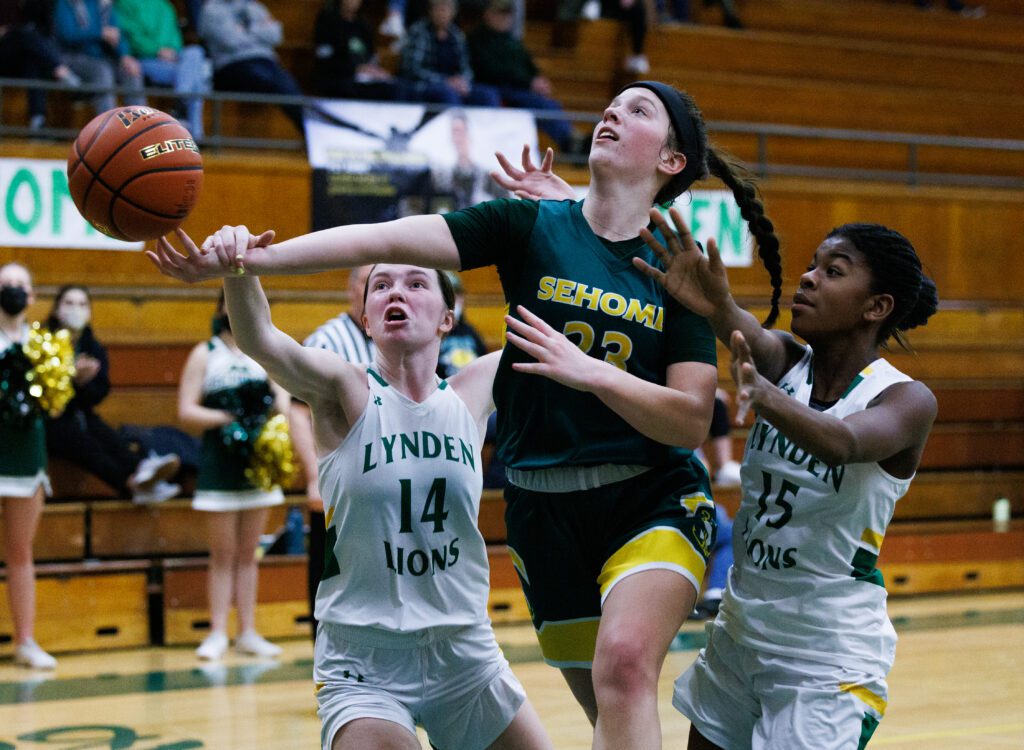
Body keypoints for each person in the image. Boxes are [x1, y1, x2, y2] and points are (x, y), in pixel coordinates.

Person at [148, 79, 784, 749]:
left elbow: (689, 421)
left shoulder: (674, 268)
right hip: (545, 514)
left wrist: (588, 371)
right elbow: (383, 234)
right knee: (613, 715)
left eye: (638, 109)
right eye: (612, 102)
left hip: (648, 495)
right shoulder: (528, 225)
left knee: (624, 666)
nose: (612, 111)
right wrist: (253, 257)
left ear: (672, 161)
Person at [154, 241, 554, 749]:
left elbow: (560, 326)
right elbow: (262, 341)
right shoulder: (344, 389)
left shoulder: (474, 389)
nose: (397, 293)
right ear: (366, 320)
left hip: (465, 650)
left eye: (415, 283)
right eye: (381, 285)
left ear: (447, 319)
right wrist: (237, 267)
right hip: (365, 660)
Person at [634, 211, 938, 749]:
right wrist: (714, 304)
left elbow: (843, 442)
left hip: (826, 654)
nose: (809, 277)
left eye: (834, 271)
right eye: (811, 266)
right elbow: (738, 326)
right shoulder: (787, 359)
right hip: (742, 630)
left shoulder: (905, 399)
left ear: (877, 307)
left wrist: (765, 396)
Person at [178, 293, 292, 660]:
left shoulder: (265, 352)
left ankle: (247, 631)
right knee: (222, 554)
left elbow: (283, 402)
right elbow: (186, 411)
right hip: (219, 461)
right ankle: (216, 633)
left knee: (248, 553)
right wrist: (229, 419)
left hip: (257, 465)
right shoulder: (204, 352)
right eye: (229, 303)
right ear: (219, 309)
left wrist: (264, 413)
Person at [291, 265, 375, 641]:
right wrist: (313, 476)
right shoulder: (326, 338)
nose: (376, 292)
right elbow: (296, 409)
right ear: (351, 290)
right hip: (340, 477)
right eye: (369, 283)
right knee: (332, 575)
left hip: (383, 478)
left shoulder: (395, 337)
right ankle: (327, 671)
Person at [44, 285, 181, 504]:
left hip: (80, 414)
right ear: (55, 310)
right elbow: (40, 392)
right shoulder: (43, 342)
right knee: (83, 442)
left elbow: (98, 394)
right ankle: (132, 483)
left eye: (81, 304)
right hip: (49, 420)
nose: (75, 309)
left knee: (102, 431)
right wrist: (70, 377)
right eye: (68, 303)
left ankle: (143, 469)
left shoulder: (93, 347)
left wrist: (82, 384)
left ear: (89, 312)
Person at [0, 262, 57, 669]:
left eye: (22, 285)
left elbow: (55, 402)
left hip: (27, 452)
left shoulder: (46, 346)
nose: (15, 291)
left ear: (33, 296)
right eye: (7, 285)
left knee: (20, 551)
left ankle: (25, 641)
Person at [468, 0, 577, 153]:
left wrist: (538, 79)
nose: (504, 18)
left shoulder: (513, 41)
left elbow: (530, 66)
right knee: (536, 102)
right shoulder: (477, 39)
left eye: (507, 14)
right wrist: (529, 82)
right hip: (496, 88)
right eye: (499, 13)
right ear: (488, 14)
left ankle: (570, 140)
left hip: (519, 90)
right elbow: (491, 70)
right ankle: (569, 141)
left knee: (549, 104)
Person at [197, 0, 306, 133]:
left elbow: (276, 35)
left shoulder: (255, 6)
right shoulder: (211, 10)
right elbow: (230, 40)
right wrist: (260, 29)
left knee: (288, 84)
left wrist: (245, 29)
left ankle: (308, 131)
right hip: (232, 64)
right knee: (264, 77)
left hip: (266, 61)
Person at [114, 0, 209, 140]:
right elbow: (132, 38)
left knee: (195, 52)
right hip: (144, 59)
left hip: (171, 62)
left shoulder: (165, 6)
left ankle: (182, 100)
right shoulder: (124, 4)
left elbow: (176, 40)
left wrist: (171, 51)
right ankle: (195, 134)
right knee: (196, 78)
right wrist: (157, 50)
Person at [398, 0, 501, 107]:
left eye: (446, 9)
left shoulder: (456, 35)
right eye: (439, 9)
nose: (442, 13)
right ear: (431, 11)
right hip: (424, 85)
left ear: (453, 13)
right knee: (448, 94)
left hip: (453, 85)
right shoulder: (419, 31)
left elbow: (466, 68)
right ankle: (456, 123)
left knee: (488, 94)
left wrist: (462, 82)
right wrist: (445, 82)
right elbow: (413, 69)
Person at [53, 0, 146, 116]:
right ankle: (108, 127)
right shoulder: (63, 3)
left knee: (131, 71)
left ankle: (139, 123)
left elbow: (115, 33)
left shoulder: (97, 4)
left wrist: (124, 56)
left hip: (100, 58)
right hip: (72, 57)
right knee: (102, 71)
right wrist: (99, 33)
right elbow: (68, 34)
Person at [0, 0, 82, 131]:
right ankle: (61, 70)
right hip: (4, 54)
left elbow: (46, 31)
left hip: (27, 55)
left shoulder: (37, 4)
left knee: (32, 59)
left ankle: (37, 120)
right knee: (23, 34)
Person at [312, 0, 399, 101]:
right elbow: (324, 60)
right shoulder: (327, 21)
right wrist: (355, 69)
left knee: (394, 87)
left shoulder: (362, 23)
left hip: (364, 77)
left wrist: (375, 70)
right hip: (339, 77)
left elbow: (371, 54)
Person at [436, 271, 488, 379]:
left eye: (457, 296)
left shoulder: (471, 333)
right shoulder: (430, 334)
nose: (453, 302)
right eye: (448, 297)